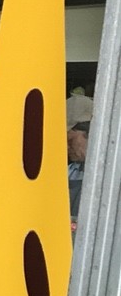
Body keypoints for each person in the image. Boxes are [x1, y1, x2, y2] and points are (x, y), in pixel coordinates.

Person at [66, 90, 93, 223]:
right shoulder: (71, 171)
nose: (66, 147)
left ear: (90, 132)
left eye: (70, 140)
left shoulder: (112, 177)